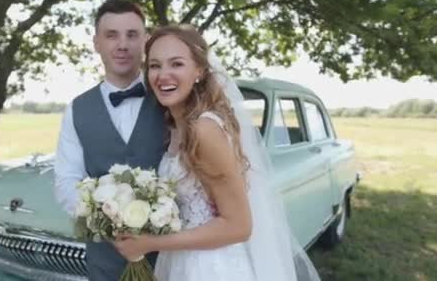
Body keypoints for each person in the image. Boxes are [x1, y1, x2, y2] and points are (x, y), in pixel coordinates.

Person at [113, 24, 321, 280]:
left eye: (176, 64)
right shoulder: (175, 128)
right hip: (182, 261)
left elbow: (239, 226)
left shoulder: (204, 129)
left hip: (211, 267)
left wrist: (150, 243)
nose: (163, 75)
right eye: (155, 66)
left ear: (199, 71)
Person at [53, 0, 168, 281]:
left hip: (172, 260)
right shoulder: (77, 108)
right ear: (96, 43)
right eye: (111, 35)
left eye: (132, 35)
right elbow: (66, 180)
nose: (122, 45)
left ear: (146, 40)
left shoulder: (170, 99)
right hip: (104, 263)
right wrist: (108, 221)